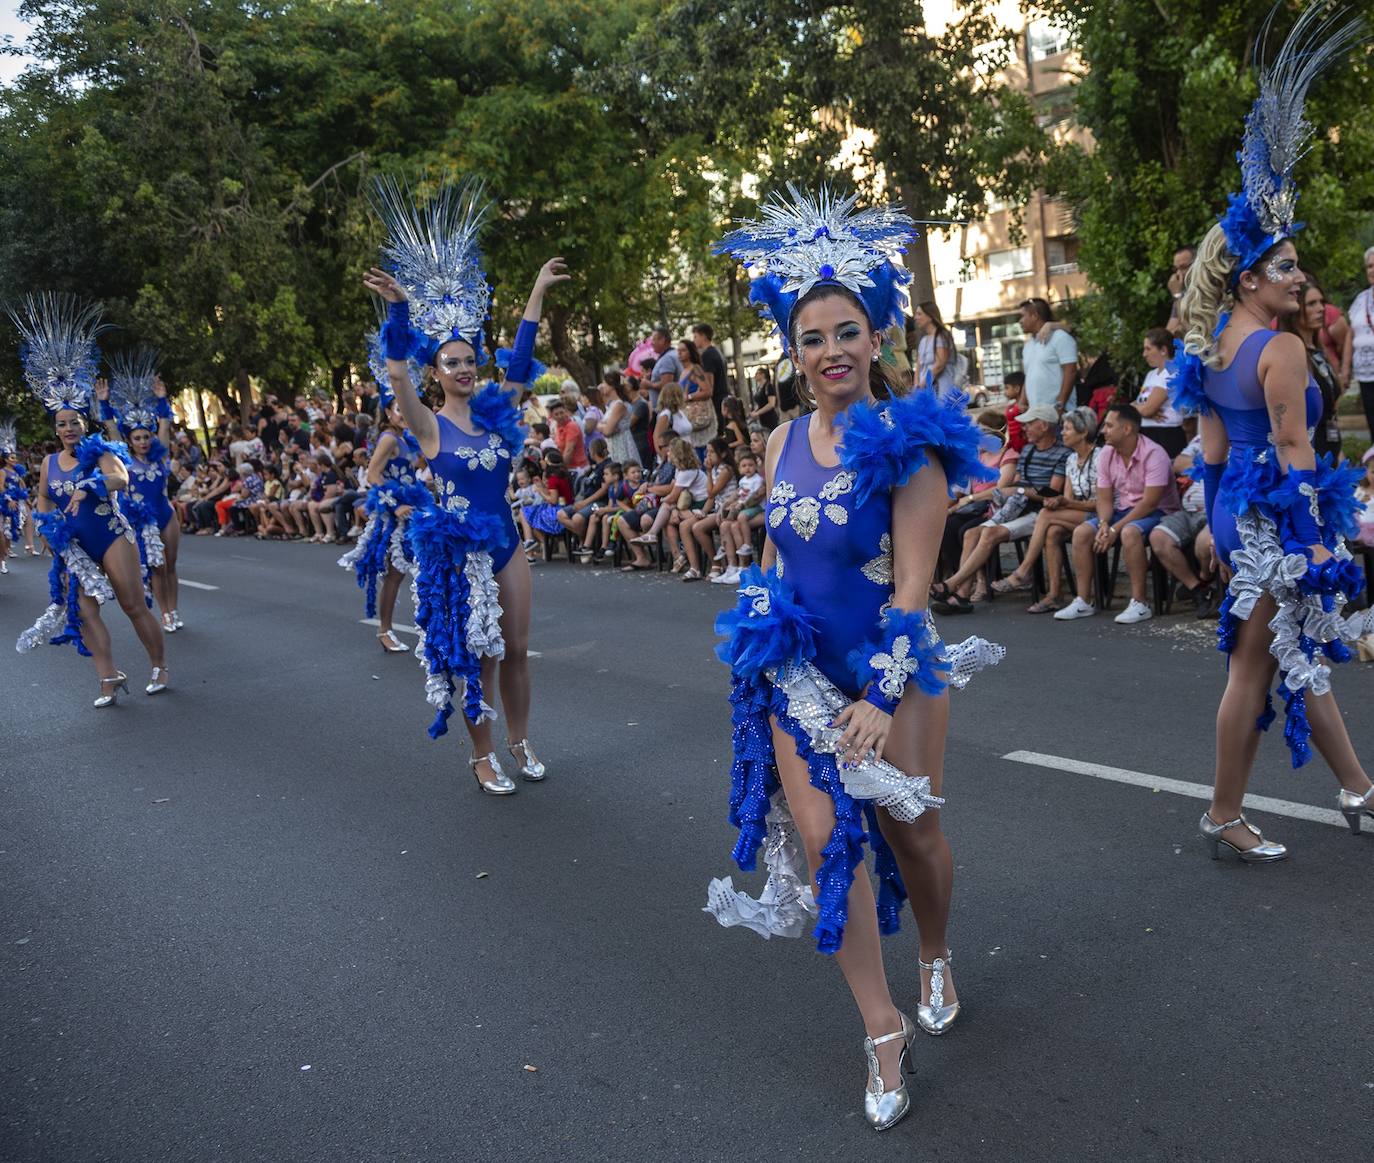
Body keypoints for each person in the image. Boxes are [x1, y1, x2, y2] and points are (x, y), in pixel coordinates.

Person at [710, 185, 1003, 1132]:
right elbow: (770, 556)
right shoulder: (778, 439)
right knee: (832, 841)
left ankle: (934, 950)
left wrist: (880, 694)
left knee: (912, 836)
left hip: (897, 675)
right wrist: (756, 631)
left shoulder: (910, 449)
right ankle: (882, 1029)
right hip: (799, 676)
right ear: (792, 355)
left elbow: (916, 589)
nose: (830, 350)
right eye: (810, 338)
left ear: (877, 335)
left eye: (846, 331)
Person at [1167, 6, 1374, 861]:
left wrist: (1223, 529)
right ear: (1249, 276)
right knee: (1262, 660)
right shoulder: (1282, 347)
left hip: (1235, 511)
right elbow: (1293, 453)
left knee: (1285, 652)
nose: (1299, 275)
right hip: (1277, 514)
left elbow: (1214, 454)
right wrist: (1317, 541)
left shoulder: (1213, 346)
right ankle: (1228, 810)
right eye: (1285, 266)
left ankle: (1357, 784)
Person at [365, 177, 568, 794]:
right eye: (449, 362)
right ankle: (481, 756)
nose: (461, 368)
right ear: (437, 371)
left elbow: (521, 359)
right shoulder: (424, 424)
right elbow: (396, 372)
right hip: (458, 551)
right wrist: (399, 311)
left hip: (505, 538)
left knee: (517, 648)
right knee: (479, 653)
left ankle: (520, 739)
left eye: (467, 359)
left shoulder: (496, 411)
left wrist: (534, 291)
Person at [10, 293, 168, 702]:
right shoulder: (48, 462)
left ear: (84, 423)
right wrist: (47, 526)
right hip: (75, 544)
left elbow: (119, 478)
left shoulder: (100, 451)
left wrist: (90, 484)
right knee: (82, 610)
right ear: (55, 428)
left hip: (112, 535)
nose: (68, 429)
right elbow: (43, 497)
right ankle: (108, 676)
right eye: (62, 424)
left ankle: (159, 665)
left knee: (134, 606)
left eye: (75, 422)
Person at [931, 403, 1068, 614]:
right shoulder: (1029, 451)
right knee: (970, 533)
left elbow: (1050, 494)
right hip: (1017, 506)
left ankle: (952, 585)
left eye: (1030, 424)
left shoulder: (1061, 453)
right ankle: (962, 595)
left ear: (1043, 426)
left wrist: (1021, 491)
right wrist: (1020, 491)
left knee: (986, 533)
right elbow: (1017, 486)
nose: (1024, 428)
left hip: (1039, 511)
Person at [1054, 403, 1179, 624]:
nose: (1103, 431)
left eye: (1110, 426)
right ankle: (1084, 600)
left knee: (1129, 533)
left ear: (1127, 429)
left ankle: (1140, 603)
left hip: (1158, 511)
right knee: (1083, 532)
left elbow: (1149, 504)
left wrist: (1114, 529)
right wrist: (1103, 524)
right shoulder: (1107, 454)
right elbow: (1104, 497)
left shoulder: (1154, 453)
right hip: (1122, 509)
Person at [338, 378, 430, 652]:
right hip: (393, 515)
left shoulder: (407, 439)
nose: (403, 413)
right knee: (395, 573)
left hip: (413, 510)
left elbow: (409, 474)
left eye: (407, 408)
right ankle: (384, 630)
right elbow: (374, 475)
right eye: (398, 409)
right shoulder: (389, 438)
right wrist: (394, 506)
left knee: (417, 568)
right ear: (389, 413)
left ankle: (429, 629)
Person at [95, 353, 183, 632]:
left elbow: (165, 425)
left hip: (166, 514)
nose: (144, 441)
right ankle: (165, 614)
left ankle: (174, 610)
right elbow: (111, 428)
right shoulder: (126, 460)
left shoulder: (159, 456)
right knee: (156, 567)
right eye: (138, 438)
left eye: (146, 436)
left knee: (170, 565)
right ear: (130, 441)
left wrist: (161, 399)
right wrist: (104, 402)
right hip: (143, 519)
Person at [992, 405, 1100, 613]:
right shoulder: (1071, 459)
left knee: (1045, 514)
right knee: (1052, 532)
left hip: (1100, 513)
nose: (1063, 433)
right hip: (1078, 512)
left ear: (1083, 432)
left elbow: (1100, 503)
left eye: (1067, 429)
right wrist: (1058, 502)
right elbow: (1067, 498)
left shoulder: (1099, 457)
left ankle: (1024, 571)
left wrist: (1061, 503)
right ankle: (1053, 595)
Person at [1147, 427, 1219, 617]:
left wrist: (1205, 462)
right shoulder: (1203, 436)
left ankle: (1204, 578)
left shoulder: (1239, 437)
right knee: (1159, 537)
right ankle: (1197, 590)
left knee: (1205, 543)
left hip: (1216, 511)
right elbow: (1179, 464)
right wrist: (1211, 462)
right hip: (1187, 511)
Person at [1279, 280, 1344, 458]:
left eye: (1321, 302)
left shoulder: (1317, 351)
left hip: (1331, 448)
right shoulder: (1290, 355)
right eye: (1312, 303)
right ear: (1296, 310)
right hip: (1310, 454)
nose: (1321, 308)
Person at [1018, 297, 1077, 412]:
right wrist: (1022, 400)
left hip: (1059, 413)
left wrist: (1060, 404)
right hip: (1037, 415)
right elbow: (1029, 375)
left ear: (1035, 316)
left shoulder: (1060, 337)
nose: (1020, 321)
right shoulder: (1028, 345)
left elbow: (1070, 371)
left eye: (1022, 316)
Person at [1134, 327, 1186, 455]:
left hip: (1165, 436)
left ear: (1163, 350)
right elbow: (1141, 406)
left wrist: (1139, 408)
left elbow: (1147, 410)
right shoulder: (1151, 375)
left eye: (1148, 349)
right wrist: (1139, 408)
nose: (1144, 354)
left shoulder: (1171, 372)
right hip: (1146, 434)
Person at [1344, 246, 1374, 433]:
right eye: (1369, 266)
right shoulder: (1360, 299)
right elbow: (1350, 333)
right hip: (1365, 375)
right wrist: (1345, 369)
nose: (1372, 270)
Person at [677, 339, 718, 456]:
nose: (679, 353)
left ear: (690, 352)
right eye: (678, 350)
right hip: (689, 418)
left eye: (683, 350)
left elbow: (708, 391)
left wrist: (689, 396)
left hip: (698, 415)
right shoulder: (684, 371)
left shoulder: (695, 369)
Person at [596, 371, 642, 467]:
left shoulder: (619, 405)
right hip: (614, 443)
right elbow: (604, 426)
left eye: (604, 383)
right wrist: (603, 426)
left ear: (611, 386)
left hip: (621, 444)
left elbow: (608, 431)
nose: (602, 386)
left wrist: (602, 426)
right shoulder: (613, 404)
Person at [912, 300, 956, 393]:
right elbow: (918, 366)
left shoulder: (942, 336)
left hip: (941, 390)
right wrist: (916, 386)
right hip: (925, 390)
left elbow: (939, 365)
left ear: (930, 316)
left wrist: (922, 384)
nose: (916, 318)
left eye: (919, 314)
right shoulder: (923, 341)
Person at [692, 322, 730, 425]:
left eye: (695, 336)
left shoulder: (707, 355)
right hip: (723, 400)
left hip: (716, 403)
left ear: (703, 336)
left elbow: (709, 387)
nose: (693, 340)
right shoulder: (717, 352)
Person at [652, 382, 692, 463]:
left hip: (687, 454)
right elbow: (656, 437)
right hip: (675, 458)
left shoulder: (680, 412)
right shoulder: (666, 414)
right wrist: (663, 458)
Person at [647, 327, 681, 410]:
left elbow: (666, 384)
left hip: (666, 409)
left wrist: (648, 384)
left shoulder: (667, 358)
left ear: (662, 340)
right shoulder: (674, 354)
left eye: (654, 339)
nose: (652, 343)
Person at [1166, 244, 1196, 336]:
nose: (1178, 274)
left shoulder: (1208, 290)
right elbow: (1169, 334)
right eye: (1176, 269)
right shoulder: (1183, 293)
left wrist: (1177, 295)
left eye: (1183, 267)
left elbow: (1190, 329)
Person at [548, 399, 587, 471]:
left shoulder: (571, 426)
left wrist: (560, 469)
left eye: (561, 412)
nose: (560, 416)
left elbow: (569, 451)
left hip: (577, 468)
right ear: (552, 416)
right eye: (556, 414)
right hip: (569, 467)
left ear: (566, 411)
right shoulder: (558, 426)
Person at [1002, 371, 1026, 451]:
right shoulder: (1012, 406)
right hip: (1013, 444)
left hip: (1023, 445)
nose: (1004, 392)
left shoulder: (1023, 407)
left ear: (1017, 389)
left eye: (1007, 388)